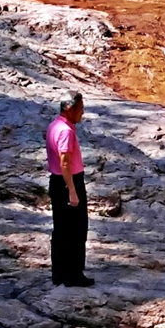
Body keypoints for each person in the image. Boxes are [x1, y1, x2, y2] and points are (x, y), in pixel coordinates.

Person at [46, 90, 93, 287]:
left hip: (57, 182)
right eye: (80, 109)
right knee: (76, 229)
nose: (82, 113)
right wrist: (72, 191)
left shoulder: (54, 125)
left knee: (61, 230)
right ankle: (73, 275)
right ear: (69, 109)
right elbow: (65, 163)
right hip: (68, 182)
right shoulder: (65, 131)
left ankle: (59, 273)